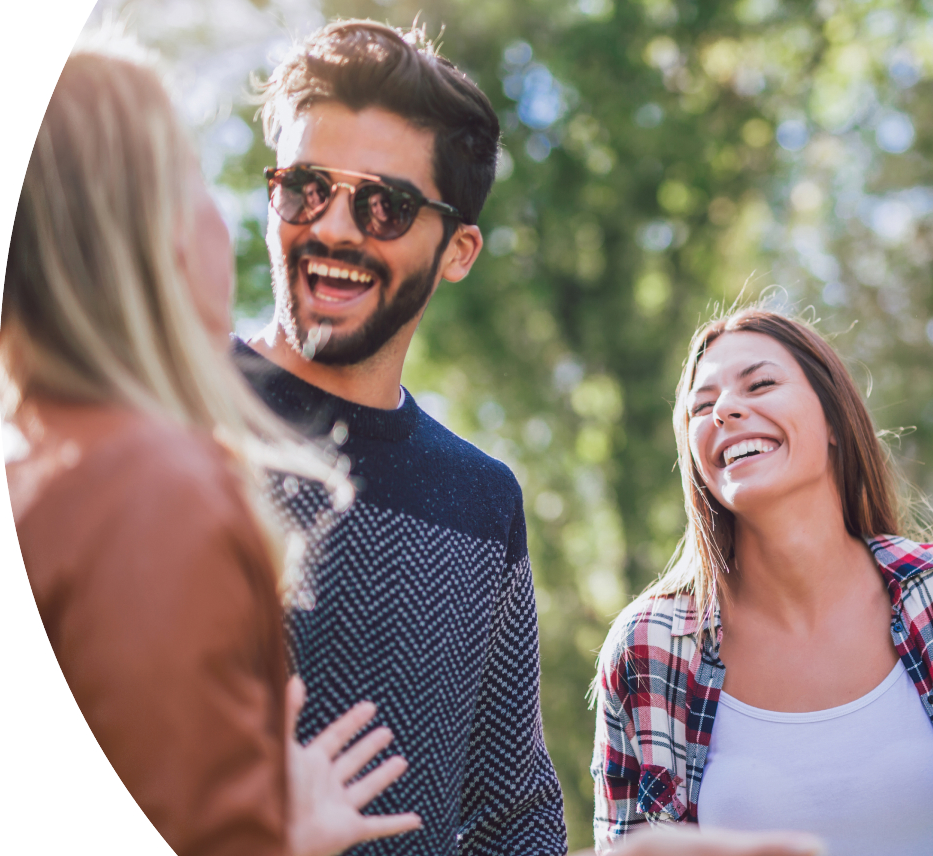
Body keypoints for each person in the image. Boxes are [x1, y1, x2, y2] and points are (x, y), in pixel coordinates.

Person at [2, 47, 427, 856]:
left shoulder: (45, 474)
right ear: (144, 230)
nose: (221, 215)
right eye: (194, 176)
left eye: (385, 204)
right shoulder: (151, 496)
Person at [590, 307, 933, 856]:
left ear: (833, 420)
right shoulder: (648, 649)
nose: (725, 411)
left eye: (760, 384)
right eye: (702, 407)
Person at [238, 20, 567, 856]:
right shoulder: (150, 412)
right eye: (306, 187)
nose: (336, 228)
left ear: (457, 250)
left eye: (385, 205)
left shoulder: (479, 502)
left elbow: (510, 811)